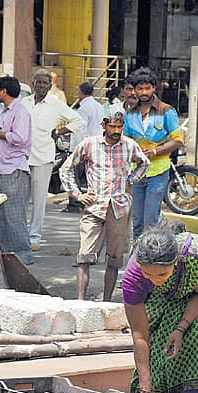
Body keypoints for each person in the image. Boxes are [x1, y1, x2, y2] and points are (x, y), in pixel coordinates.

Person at [122, 221, 198, 393]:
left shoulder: (195, 259)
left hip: (197, 289)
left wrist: (180, 329)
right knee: (157, 334)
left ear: (175, 262)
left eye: (161, 274)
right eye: (148, 274)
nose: (155, 279)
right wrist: (145, 390)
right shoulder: (133, 280)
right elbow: (140, 336)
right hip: (165, 290)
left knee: (197, 333)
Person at [60, 106, 150, 301]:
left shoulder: (129, 145)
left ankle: (106, 302)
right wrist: (77, 194)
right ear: (104, 125)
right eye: (113, 126)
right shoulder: (89, 144)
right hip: (94, 206)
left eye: (120, 127)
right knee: (84, 256)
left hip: (119, 207)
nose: (116, 131)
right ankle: (81, 301)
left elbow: (144, 164)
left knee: (114, 259)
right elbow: (66, 169)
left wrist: (130, 179)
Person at [23, 69, 84, 251]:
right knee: (21, 200)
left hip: (43, 157)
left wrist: (58, 132)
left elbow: (78, 121)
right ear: (33, 83)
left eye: (45, 83)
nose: (41, 85)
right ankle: (21, 235)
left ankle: (34, 236)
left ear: (50, 86)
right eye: (38, 82)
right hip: (23, 157)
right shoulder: (24, 102)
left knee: (39, 200)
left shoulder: (56, 104)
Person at [123, 67, 183, 239]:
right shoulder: (130, 114)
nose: (143, 92)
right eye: (139, 88)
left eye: (147, 88)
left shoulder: (166, 111)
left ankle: (153, 255)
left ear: (154, 88)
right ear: (134, 90)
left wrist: (156, 151)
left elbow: (177, 140)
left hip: (158, 171)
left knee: (150, 220)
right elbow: (126, 140)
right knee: (137, 221)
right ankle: (136, 260)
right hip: (136, 174)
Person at [0, 76, 33, 264]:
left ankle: (22, 255)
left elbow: (20, 137)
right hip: (1, 168)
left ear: (4, 91)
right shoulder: (6, 111)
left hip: (13, 168)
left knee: (13, 215)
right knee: (2, 215)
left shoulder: (20, 111)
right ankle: (7, 254)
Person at [72, 81, 104, 150]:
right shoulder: (100, 106)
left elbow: (80, 130)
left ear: (81, 92)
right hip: (98, 143)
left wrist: (76, 149)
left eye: (78, 91)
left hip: (87, 146)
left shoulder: (83, 108)